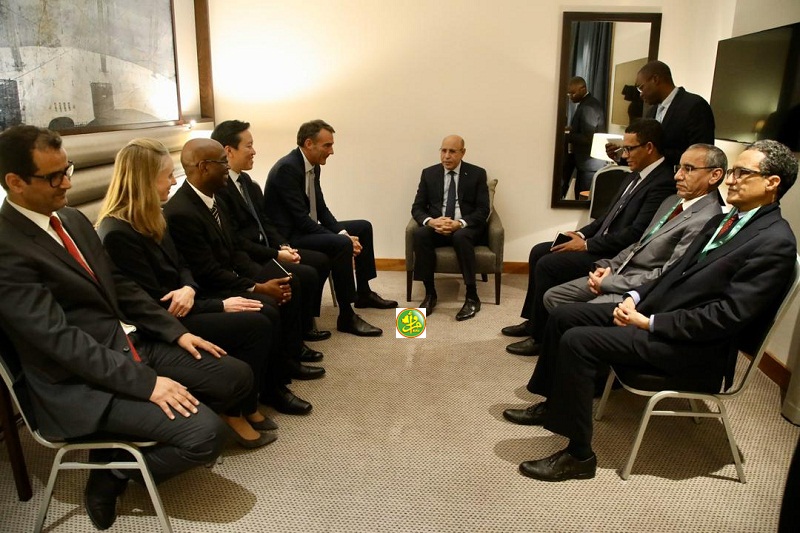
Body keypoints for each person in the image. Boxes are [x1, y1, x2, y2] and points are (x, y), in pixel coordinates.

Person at [0, 125, 253, 529]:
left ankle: (113, 458)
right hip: (77, 381)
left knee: (236, 376)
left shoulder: (70, 219)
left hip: (124, 344)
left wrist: (176, 331)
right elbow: (59, 342)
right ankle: (113, 473)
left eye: (68, 169)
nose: (67, 183)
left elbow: (118, 285)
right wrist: (147, 384)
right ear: (15, 182)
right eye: (54, 176)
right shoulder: (6, 248)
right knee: (206, 435)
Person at [503, 139, 797, 482]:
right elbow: (672, 273)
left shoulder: (774, 242)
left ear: (772, 182)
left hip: (696, 347)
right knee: (563, 316)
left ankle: (579, 456)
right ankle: (553, 404)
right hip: (662, 315)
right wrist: (635, 297)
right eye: (733, 171)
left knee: (578, 341)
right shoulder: (728, 219)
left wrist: (650, 322)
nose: (731, 180)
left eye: (742, 173)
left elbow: (726, 317)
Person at [96, 138, 277, 448]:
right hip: (161, 324)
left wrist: (188, 288)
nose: (173, 181)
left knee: (264, 311)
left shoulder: (153, 214)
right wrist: (219, 305)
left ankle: (246, 405)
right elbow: (153, 304)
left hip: (186, 303)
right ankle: (232, 411)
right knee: (255, 324)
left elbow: (182, 266)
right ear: (144, 180)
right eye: (167, 175)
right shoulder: (117, 233)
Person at [164, 138, 320, 416]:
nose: (227, 167)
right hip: (208, 289)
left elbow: (234, 248)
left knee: (287, 281)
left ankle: (285, 364)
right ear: (203, 167)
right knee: (267, 308)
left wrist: (262, 278)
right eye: (222, 163)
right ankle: (271, 388)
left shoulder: (215, 198)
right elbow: (207, 272)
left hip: (228, 275)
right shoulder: (181, 212)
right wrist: (257, 287)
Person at [502, 119, 676, 355]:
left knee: (548, 264)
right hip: (600, 242)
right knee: (539, 251)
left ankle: (541, 337)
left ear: (649, 147)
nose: (624, 155)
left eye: (629, 148)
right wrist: (581, 233)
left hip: (615, 254)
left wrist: (586, 245)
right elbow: (607, 217)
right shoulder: (634, 175)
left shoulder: (663, 183)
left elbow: (636, 233)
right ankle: (534, 321)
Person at [544, 143, 726, 309]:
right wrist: (607, 267)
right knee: (553, 296)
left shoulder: (707, 218)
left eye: (688, 169)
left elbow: (667, 273)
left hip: (639, 289)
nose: (677, 176)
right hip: (619, 272)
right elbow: (639, 244)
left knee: (569, 313)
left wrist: (608, 283)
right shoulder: (672, 201)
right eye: (679, 168)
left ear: (715, 175)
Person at [265, 119, 398, 337]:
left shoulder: (312, 166)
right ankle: (346, 315)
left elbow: (321, 209)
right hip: (289, 237)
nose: (332, 151)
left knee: (363, 227)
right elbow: (301, 220)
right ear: (309, 143)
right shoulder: (287, 168)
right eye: (327, 145)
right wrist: (343, 240)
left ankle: (363, 293)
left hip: (305, 228)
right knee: (341, 244)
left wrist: (343, 233)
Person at [211, 120, 331, 345]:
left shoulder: (247, 182)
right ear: (229, 150)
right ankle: (295, 343)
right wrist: (276, 254)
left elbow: (265, 223)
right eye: (249, 146)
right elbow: (236, 241)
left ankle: (305, 325)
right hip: (249, 258)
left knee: (319, 261)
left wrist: (283, 246)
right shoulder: (220, 191)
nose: (254, 151)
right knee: (299, 276)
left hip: (266, 249)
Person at [410, 135, 489, 319]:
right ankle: (430, 293)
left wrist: (459, 223)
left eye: (452, 151)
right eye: (443, 150)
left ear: (463, 152)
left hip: (465, 227)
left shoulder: (477, 174)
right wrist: (431, 221)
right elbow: (417, 208)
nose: (446, 156)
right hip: (438, 225)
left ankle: (472, 296)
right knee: (420, 234)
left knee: (460, 236)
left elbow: (483, 210)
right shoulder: (429, 173)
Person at [606, 60, 715, 167]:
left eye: (641, 88)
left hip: (677, 176)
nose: (641, 94)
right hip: (651, 177)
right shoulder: (651, 112)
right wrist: (620, 155)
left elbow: (701, 155)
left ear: (655, 79)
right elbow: (645, 154)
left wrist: (654, 154)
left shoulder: (694, 106)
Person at [563, 76, 606, 198]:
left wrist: (566, 136)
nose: (571, 97)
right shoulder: (588, 103)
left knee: (583, 198)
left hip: (589, 163)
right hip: (587, 163)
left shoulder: (588, 107)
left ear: (583, 89)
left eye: (573, 93)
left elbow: (588, 138)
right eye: (569, 94)